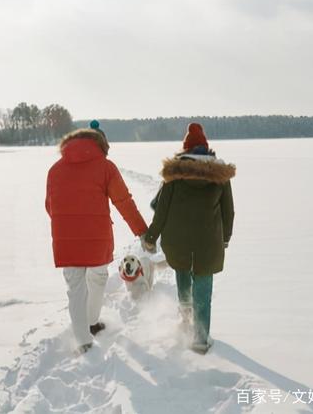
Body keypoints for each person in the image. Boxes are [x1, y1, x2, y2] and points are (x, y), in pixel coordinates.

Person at [46, 128, 148, 354]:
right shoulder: (106, 167)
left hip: (66, 240)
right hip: (97, 238)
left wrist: (66, 224)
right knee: (98, 278)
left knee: (75, 288)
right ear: (100, 144)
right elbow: (123, 201)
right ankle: (91, 322)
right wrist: (141, 230)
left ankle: (83, 341)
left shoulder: (54, 170)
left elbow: (49, 206)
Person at [142, 122, 235, 354]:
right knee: (203, 286)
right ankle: (201, 338)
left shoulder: (174, 176)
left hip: (178, 240)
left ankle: (185, 321)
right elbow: (228, 211)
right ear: (206, 147)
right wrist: (225, 238)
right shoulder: (219, 175)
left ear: (185, 148)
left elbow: (161, 210)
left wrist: (151, 237)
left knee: (183, 275)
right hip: (208, 242)